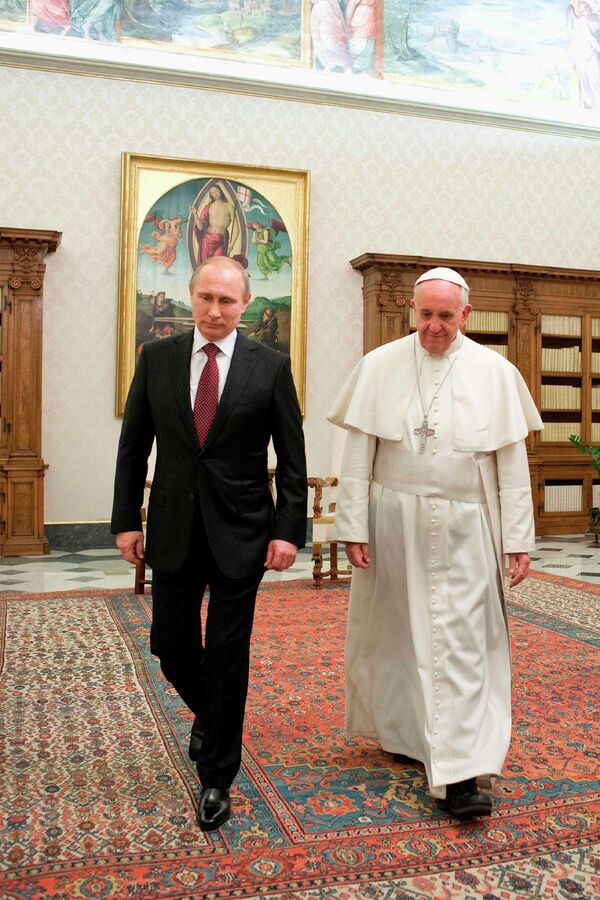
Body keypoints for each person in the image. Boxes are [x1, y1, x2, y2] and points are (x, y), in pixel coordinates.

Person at [328, 267, 543, 820]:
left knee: (464, 642)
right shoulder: (379, 366)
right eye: (425, 314)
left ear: (465, 315)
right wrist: (352, 525)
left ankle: (461, 775)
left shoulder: (496, 373)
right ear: (413, 312)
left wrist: (516, 537)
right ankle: (406, 734)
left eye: (446, 316)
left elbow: (512, 466)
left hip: (468, 526)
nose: (434, 326)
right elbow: (358, 455)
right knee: (396, 630)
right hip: (392, 520)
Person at [112, 256, 307, 832]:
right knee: (170, 644)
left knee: (227, 653)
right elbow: (133, 448)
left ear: (245, 304)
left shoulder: (269, 366)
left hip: (242, 531)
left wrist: (287, 531)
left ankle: (217, 776)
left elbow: (292, 460)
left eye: (226, 301)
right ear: (190, 297)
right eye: (205, 298)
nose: (214, 310)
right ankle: (213, 718)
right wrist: (127, 521)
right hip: (172, 527)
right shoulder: (158, 358)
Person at [190, 185, 239, 262]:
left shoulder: (229, 206)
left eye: (216, 191)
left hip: (221, 241)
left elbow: (236, 227)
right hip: (207, 240)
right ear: (211, 195)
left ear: (220, 191)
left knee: (218, 265)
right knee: (205, 266)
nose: (215, 194)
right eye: (212, 193)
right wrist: (195, 214)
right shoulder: (208, 207)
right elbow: (200, 227)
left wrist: (232, 244)